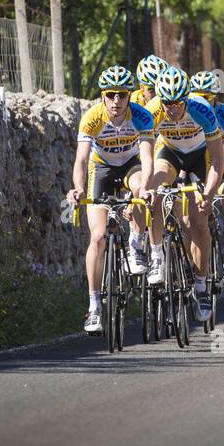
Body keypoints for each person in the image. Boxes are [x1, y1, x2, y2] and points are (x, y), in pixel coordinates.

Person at [67, 65, 155, 334]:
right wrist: (78, 189)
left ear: (130, 96)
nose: (116, 101)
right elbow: (82, 159)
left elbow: (149, 158)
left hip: (131, 165)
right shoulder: (92, 118)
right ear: (103, 96)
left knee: (140, 189)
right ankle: (94, 305)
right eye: (111, 95)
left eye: (122, 95)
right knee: (98, 237)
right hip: (102, 168)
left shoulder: (141, 116)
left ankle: (136, 243)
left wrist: (149, 186)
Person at [145, 65, 224, 323]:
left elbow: (218, 161)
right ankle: (157, 256)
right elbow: (142, 154)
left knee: (198, 223)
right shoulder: (153, 110)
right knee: (154, 192)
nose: (172, 109)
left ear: (187, 98)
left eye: (178, 103)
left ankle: (201, 287)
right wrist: (143, 188)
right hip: (169, 154)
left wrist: (209, 194)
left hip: (199, 158)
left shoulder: (202, 109)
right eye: (167, 103)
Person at [190, 69, 224, 292]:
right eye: (197, 96)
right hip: (201, 165)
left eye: (207, 98)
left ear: (216, 98)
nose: (202, 102)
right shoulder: (189, 113)